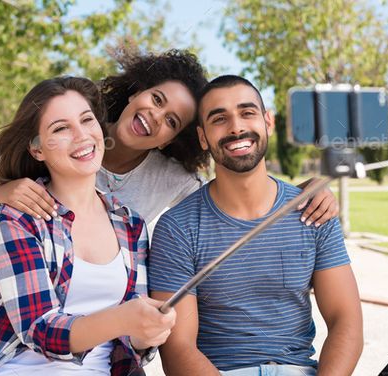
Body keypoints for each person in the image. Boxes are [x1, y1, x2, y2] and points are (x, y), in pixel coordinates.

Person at [0, 50, 339, 233]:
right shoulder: (73, 131)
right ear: (137, 89)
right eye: (156, 99)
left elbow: (233, 205)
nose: (156, 116)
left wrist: (304, 191)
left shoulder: (171, 180)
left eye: (172, 121)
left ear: (172, 139)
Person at [0, 77, 176, 376]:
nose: (81, 136)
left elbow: (128, 346)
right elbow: (39, 329)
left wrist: (143, 335)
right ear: (37, 149)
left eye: (87, 120)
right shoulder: (15, 219)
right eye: (61, 128)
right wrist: (122, 320)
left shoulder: (132, 226)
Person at [149, 75, 363, 376]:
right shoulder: (177, 228)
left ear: (268, 122)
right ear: (202, 137)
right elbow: (177, 348)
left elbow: (346, 320)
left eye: (247, 113)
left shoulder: (314, 210)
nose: (236, 127)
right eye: (219, 119)